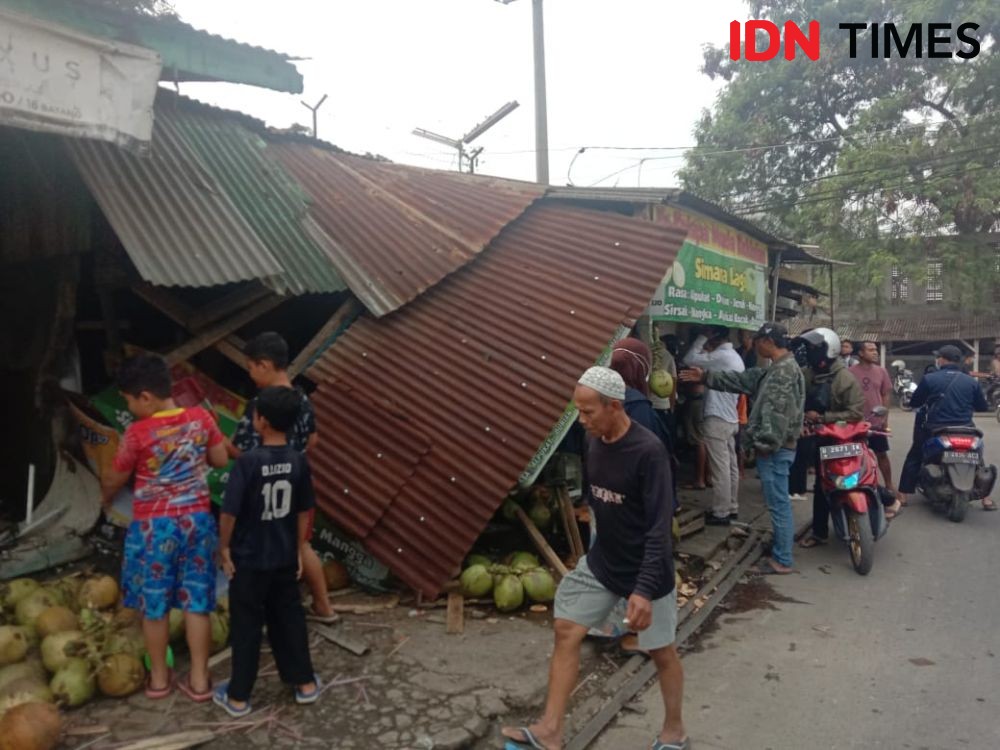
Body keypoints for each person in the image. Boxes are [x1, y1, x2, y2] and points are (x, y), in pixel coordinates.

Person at [502, 367, 686, 750]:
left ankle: (675, 731)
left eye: (588, 413)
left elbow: (658, 530)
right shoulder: (595, 442)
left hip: (647, 572)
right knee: (566, 629)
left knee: (661, 652)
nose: (582, 421)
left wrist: (643, 589)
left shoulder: (649, 453)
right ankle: (551, 730)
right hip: (603, 564)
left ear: (614, 406)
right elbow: (600, 501)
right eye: (579, 412)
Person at [101, 354, 228, 702]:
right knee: (196, 602)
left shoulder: (137, 433)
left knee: (153, 605)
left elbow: (115, 475)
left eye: (127, 399)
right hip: (197, 523)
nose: (128, 406)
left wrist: (105, 496)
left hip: (154, 529)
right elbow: (219, 459)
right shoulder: (201, 418)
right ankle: (200, 680)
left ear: (145, 396)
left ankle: (159, 680)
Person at [214, 387, 321, 717]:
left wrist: (224, 548)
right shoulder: (298, 461)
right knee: (289, 618)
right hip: (284, 558)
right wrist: (301, 546)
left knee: (246, 625)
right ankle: (304, 684)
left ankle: (238, 697)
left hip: (249, 560)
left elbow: (229, 512)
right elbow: (304, 509)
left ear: (260, 420)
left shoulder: (247, 463)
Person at [228, 332, 337, 624]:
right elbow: (313, 440)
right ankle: (324, 606)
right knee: (301, 544)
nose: (250, 375)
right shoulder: (301, 398)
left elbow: (239, 450)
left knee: (263, 548)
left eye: (251, 368)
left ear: (264, 365)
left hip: (264, 492)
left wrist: (216, 440)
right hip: (298, 484)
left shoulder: (261, 404)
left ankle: (263, 614)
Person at [680, 322, 805, 575]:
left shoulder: (781, 373)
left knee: (778, 503)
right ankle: (781, 546)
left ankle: (782, 559)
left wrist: (762, 446)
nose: (754, 344)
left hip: (773, 450)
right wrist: (705, 376)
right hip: (778, 448)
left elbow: (775, 417)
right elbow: (742, 380)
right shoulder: (777, 368)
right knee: (777, 502)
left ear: (768, 342)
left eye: (758, 340)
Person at [794, 329, 876, 547]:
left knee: (866, 474)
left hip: (845, 439)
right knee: (823, 486)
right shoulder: (807, 375)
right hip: (819, 438)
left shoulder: (845, 378)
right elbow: (797, 401)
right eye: (810, 349)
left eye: (815, 348)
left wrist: (824, 416)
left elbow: (855, 412)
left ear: (828, 350)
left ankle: (885, 501)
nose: (811, 353)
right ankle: (819, 533)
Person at [898, 345, 994, 510]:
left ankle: (903, 496)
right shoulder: (971, 381)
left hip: (935, 428)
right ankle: (986, 499)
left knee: (915, 455)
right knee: (977, 458)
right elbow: (982, 407)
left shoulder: (930, 379)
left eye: (938, 357)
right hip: (965, 429)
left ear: (942, 359)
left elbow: (915, 402)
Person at [683, 326, 745, 525]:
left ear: (714, 339)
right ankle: (732, 506)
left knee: (720, 469)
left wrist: (702, 336)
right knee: (731, 466)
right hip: (730, 417)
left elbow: (689, 359)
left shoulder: (721, 356)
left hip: (717, 418)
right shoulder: (734, 356)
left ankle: (721, 512)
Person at [850, 341, 896, 493]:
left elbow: (886, 394)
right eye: (870, 350)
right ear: (861, 353)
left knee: (881, 454)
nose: (875, 352)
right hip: (855, 422)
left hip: (875, 421)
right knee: (855, 456)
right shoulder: (849, 372)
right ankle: (854, 486)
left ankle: (889, 485)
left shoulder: (881, 371)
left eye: (875, 350)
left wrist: (885, 418)